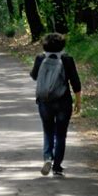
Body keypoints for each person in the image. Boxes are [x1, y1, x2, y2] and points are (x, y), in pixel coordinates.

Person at [30, 32, 82, 177]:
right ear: (62, 45)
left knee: (48, 131)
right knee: (60, 134)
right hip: (63, 102)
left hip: (45, 102)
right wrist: (78, 101)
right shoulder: (67, 59)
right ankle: (57, 167)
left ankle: (47, 158)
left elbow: (34, 76)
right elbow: (75, 82)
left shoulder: (40, 58)